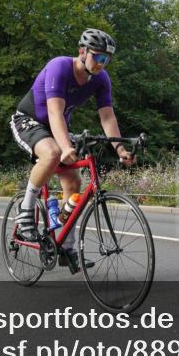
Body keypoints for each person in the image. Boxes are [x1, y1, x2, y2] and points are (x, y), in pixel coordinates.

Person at [9, 28, 135, 273]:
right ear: (82, 52)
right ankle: (25, 210)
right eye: (98, 57)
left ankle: (66, 246)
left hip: (58, 127)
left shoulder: (101, 79)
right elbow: (55, 113)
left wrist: (119, 147)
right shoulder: (60, 67)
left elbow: (107, 117)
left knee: (74, 184)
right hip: (28, 121)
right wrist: (65, 146)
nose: (102, 63)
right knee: (53, 152)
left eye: (106, 59)